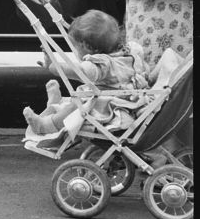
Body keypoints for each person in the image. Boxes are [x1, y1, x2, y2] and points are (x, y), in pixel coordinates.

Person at [22, 9, 148, 150]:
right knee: (81, 98)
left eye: (76, 47)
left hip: (111, 106)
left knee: (78, 105)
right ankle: (55, 105)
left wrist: (53, 67)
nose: (75, 51)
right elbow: (144, 70)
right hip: (126, 98)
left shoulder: (102, 65)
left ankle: (46, 125)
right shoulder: (130, 51)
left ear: (87, 47)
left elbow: (80, 72)